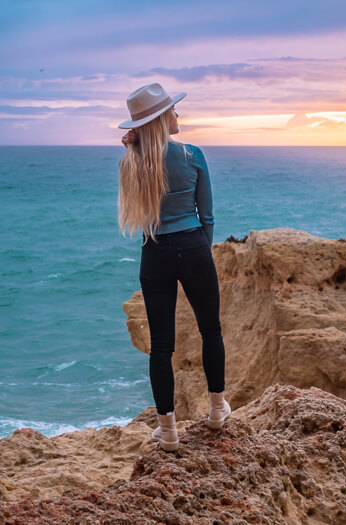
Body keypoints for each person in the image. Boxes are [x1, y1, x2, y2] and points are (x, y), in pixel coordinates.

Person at [117, 83, 231, 452]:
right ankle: (217, 411)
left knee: (161, 347)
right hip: (194, 245)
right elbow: (207, 214)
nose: (178, 115)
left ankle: (168, 432)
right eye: (174, 110)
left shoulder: (132, 161)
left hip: (155, 251)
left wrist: (134, 148)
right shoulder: (193, 154)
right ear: (163, 117)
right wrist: (200, 248)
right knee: (210, 330)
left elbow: (138, 205)